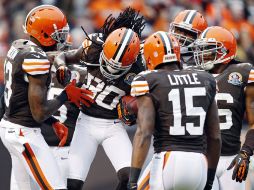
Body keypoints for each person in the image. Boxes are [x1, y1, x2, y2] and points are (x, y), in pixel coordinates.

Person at [0, 5, 93, 190]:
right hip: (24, 133)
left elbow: (22, 99)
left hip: (9, 126)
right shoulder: (37, 59)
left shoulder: (18, 46)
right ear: (44, 34)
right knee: (57, 187)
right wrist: (66, 94)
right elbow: (39, 113)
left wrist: (52, 121)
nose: (61, 39)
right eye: (58, 34)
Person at [54, 8, 146, 190]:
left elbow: (144, 102)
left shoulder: (140, 67)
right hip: (85, 123)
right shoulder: (94, 45)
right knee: (72, 183)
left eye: (118, 68)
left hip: (113, 126)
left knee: (130, 178)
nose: (111, 70)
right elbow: (63, 56)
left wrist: (135, 110)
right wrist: (61, 67)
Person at [128, 31, 221, 190]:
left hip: (168, 161)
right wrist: (210, 179)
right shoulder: (206, 78)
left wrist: (132, 180)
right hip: (199, 164)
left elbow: (144, 132)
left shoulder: (148, 79)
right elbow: (215, 136)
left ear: (150, 57)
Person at [193, 26, 254, 190]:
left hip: (231, 159)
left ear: (225, 50)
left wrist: (246, 152)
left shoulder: (243, 73)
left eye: (208, 50)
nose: (202, 54)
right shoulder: (193, 75)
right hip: (201, 158)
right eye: (201, 49)